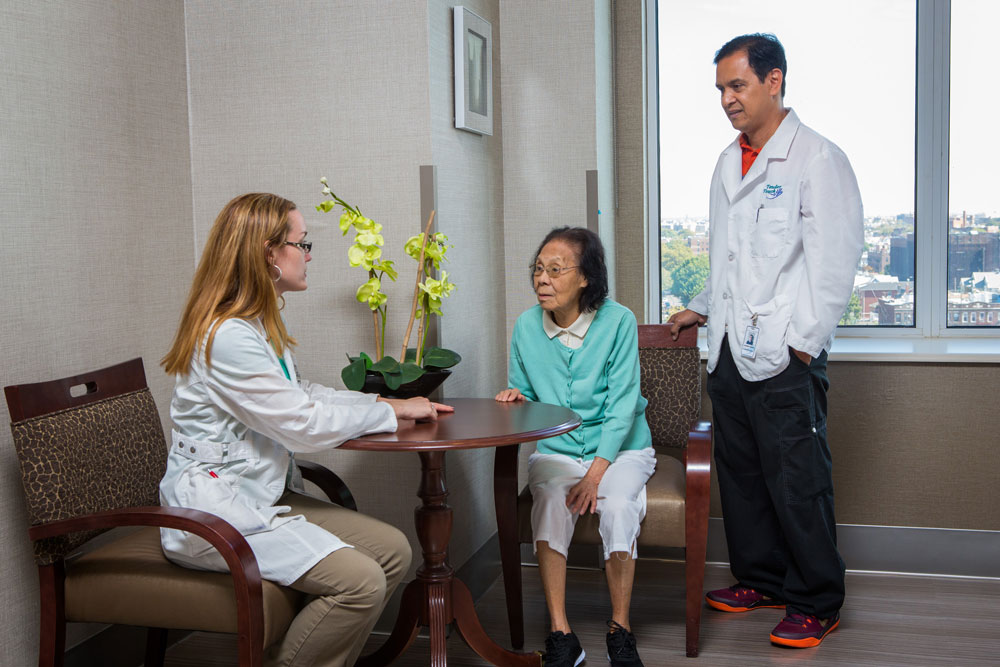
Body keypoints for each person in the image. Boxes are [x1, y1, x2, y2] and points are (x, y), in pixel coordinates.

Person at [159, 193, 452, 667]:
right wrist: (385, 414)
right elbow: (301, 424)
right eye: (302, 242)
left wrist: (388, 404)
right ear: (269, 254)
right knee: (361, 582)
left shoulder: (257, 321)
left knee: (395, 551)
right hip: (215, 513)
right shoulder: (229, 336)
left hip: (259, 492)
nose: (310, 254)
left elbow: (301, 394)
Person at [668, 34, 863, 648]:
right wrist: (700, 310)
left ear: (774, 81)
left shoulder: (817, 159)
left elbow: (834, 267)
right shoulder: (730, 161)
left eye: (737, 85)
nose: (726, 99)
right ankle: (761, 579)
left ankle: (816, 598)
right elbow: (729, 260)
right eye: (721, 89)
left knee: (797, 478)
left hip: (784, 354)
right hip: (728, 349)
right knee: (744, 474)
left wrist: (802, 346)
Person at [496, 227, 655, 667]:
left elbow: (623, 407)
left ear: (585, 277)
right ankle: (561, 634)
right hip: (558, 448)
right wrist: (517, 398)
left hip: (622, 448)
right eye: (538, 270)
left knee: (620, 505)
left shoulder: (618, 321)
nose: (541, 280)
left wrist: (595, 475)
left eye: (554, 270)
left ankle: (620, 631)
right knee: (548, 501)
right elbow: (525, 390)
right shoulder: (527, 326)